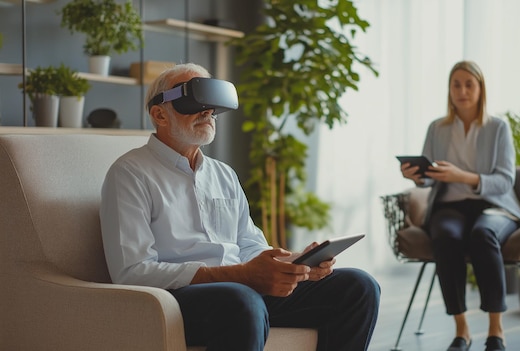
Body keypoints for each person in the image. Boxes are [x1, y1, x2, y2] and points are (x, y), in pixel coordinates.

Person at [100, 62, 380, 351]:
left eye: (211, 104)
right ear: (159, 114)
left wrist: (297, 264)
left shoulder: (223, 174)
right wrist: (238, 276)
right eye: (195, 101)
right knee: (241, 300)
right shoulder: (130, 173)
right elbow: (132, 271)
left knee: (358, 287)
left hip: (241, 290)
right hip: (179, 298)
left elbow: (249, 246)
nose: (208, 112)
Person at [400, 61, 520, 351]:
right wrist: (417, 176)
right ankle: (462, 329)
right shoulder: (437, 128)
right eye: (456, 84)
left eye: (469, 84)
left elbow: (505, 181)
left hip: (493, 205)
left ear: (481, 89)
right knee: (445, 236)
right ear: (449, 90)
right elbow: (430, 179)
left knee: (483, 235)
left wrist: (462, 176)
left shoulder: (498, 128)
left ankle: (496, 330)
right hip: (450, 206)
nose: (462, 90)